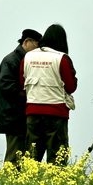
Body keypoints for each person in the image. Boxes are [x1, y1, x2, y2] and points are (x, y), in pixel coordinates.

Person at [22, 24, 77, 164]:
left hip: (33, 112)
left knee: (32, 157)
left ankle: (29, 183)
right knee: (57, 159)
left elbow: (21, 81)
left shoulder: (28, 57)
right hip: (56, 113)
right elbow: (70, 87)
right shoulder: (61, 59)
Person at [0, 29, 41, 165]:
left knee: (25, 156)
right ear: (26, 42)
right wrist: (28, 93)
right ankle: (8, 184)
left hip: (21, 115)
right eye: (37, 46)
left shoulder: (27, 60)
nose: (38, 50)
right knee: (14, 155)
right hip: (12, 116)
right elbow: (6, 85)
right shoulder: (11, 60)